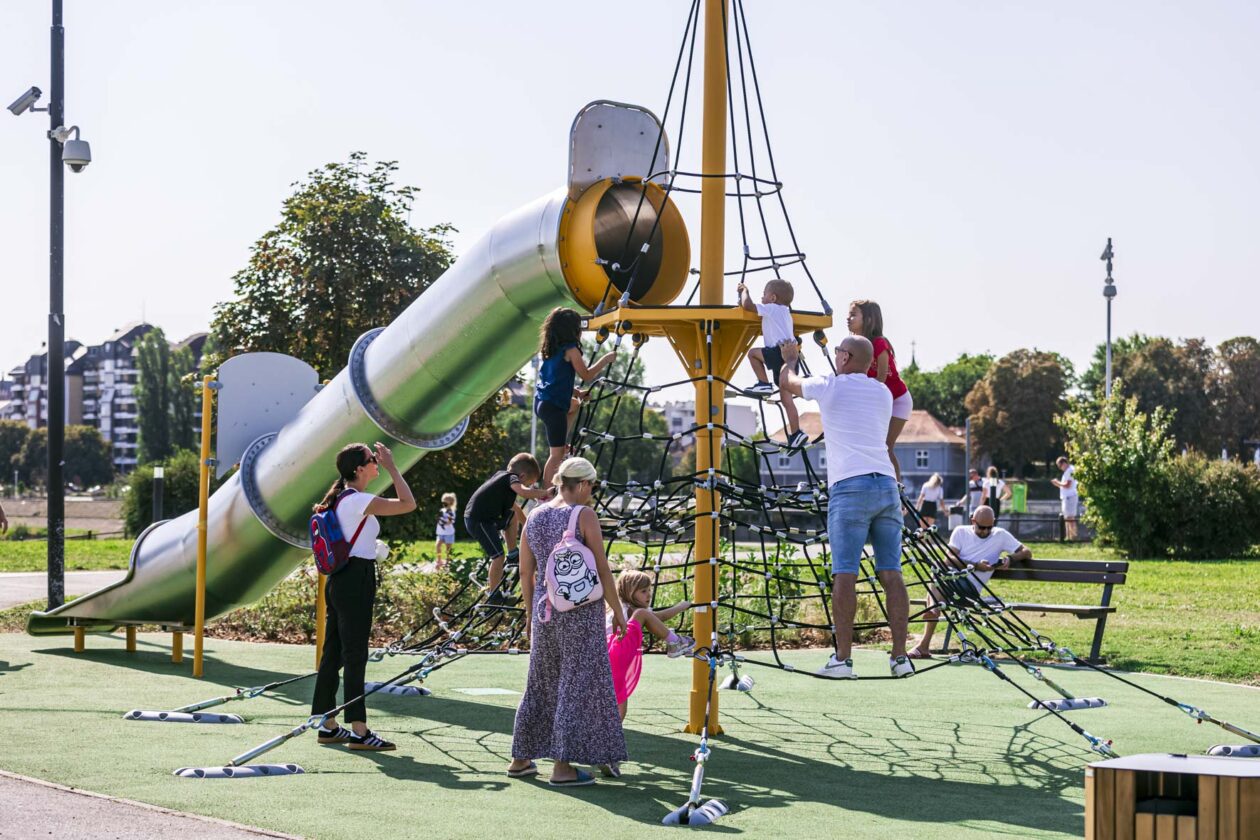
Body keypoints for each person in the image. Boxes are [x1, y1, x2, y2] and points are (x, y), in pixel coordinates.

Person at [780, 336, 914, 679]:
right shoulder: (882, 393)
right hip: (885, 485)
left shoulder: (831, 385)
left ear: (845, 356)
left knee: (845, 573)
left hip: (849, 486)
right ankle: (900, 658)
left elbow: (789, 384)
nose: (836, 356)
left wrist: (790, 359)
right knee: (891, 573)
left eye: (839, 351)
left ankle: (842, 659)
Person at [508, 457, 628, 786]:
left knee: (541, 683)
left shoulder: (535, 515)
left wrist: (531, 615)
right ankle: (562, 767)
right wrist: (617, 611)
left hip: (546, 610)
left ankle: (521, 758)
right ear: (584, 484)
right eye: (592, 486)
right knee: (577, 683)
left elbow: (525, 571)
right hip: (580, 612)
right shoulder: (584, 515)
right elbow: (602, 568)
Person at [310, 442, 416, 752]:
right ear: (359, 469)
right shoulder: (358, 501)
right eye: (373, 460)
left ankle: (327, 723)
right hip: (356, 579)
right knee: (355, 655)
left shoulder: (343, 499)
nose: (377, 464)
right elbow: (408, 503)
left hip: (340, 579)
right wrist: (395, 467)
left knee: (334, 652)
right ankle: (359, 730)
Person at [908, 505, 1031, 658]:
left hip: (970, 589)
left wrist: (1010, 559)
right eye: (981, 527)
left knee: (937, 584)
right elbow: (948, 559)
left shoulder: (1001, 535)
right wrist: (974, 565)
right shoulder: (961, 531)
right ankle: (925, 641)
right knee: (939, 573)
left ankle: (930, 618)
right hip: (951, 581)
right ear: (973, 521)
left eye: (989, 527)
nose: (985, 531)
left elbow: (1026, 551)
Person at [534, 307, 617, 487]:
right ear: (573, 330)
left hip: (542, 402)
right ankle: (546, 494)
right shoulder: (571, 350)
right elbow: (586, 375)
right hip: (553, 407)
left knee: (574, 404)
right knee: (555, 456)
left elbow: (556, 381)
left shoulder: (551, 349)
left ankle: (562, 443)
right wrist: (605, 360)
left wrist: (577, 393)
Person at [607, 570, 694, 722]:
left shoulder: (620, 608)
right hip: (618, 648)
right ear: (629, 592)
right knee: (642, 614)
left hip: (609, 653)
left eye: (649, 590)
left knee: (619, 692)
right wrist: (681, 606)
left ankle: (615, 728)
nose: (648, 595)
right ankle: (675, 642)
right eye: (643, 591)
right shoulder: (631, 609)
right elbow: (661, 617)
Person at [465, 453, 551, 605]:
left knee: (511, 517)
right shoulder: (510, 478)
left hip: (487, 520)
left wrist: (528, 528)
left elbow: (517, 510)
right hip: (478, 521)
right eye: (529, 483)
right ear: (522, 476)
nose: (529, 488)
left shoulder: (503, 486)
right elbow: (524, 493)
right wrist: (544, 494)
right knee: (497, 556)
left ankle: (513, 554)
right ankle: (493, 595)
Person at [847, 300, 912, 481]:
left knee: (886, 445)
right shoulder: (855, 346)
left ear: (868, 320)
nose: (848, 318)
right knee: (871, 444)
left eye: (853, 315)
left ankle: (898, 487)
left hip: (897, 400)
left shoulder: (878, 343)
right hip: (879, 400)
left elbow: (881, 378)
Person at [739, 279, 807, 450]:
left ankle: (763, 383)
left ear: (773, 298)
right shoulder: (785, 313)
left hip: (778, 352)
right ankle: (797, 433)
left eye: (764, 294)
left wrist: (744, 291)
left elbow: (747, 305)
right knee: (787, 400)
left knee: (752, 354)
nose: (762, 297)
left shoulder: (771, 308)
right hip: (791, 358)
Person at [1051, 456, 1079, 540]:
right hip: (1068, 497)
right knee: (1067, 517)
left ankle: (1072, 536)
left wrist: (1057, 483)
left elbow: (1068, 485)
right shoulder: (1069, 470)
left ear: (1064, 463)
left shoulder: (1070, 470)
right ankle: (1069, 536)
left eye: (1060, 466)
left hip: (1070, 497)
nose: (1060, 468)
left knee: (1070, 517)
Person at [434, 492, 457, 568]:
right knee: (438, 545)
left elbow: (450, 521)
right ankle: (439, 560)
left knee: (448, 549)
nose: (444, 503)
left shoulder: (451, 512)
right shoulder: (441, 510)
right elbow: (437, 518)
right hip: (440, 533)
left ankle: (448, 561)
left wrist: (443, 521)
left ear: (451, 503)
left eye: (446, 502)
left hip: (449, 533)